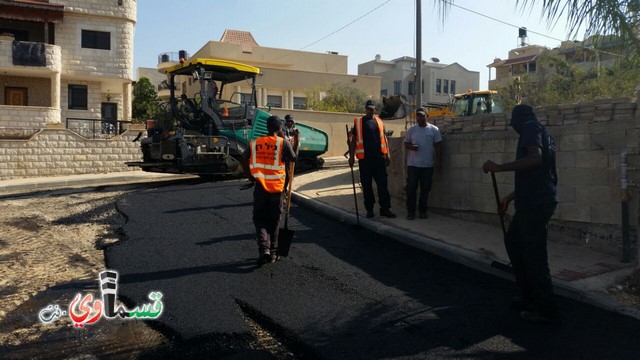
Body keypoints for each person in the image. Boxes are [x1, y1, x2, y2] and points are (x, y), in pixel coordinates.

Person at [482, 104, 559, 324]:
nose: (511, 126)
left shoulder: (530, 127)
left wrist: (498, 167)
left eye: (512, 122)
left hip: (536, 204)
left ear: (518, 119)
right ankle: (529, 296)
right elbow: (536, 175)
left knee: (535, 258)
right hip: (533, 200)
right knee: (514, 242)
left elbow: (534, 159)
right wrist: (508, 198)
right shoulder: (542, 132)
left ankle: (548, 312)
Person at [243, 115, 297, 266]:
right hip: (277, 189)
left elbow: (243, 157)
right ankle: (273, 252)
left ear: (266, 128)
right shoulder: (282, 143)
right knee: (274, 220)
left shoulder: (255, 143)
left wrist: (250, 177)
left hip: (260, 187)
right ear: (280, 128)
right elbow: (293, 158)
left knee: (259, 218)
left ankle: (264, 249)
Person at [348, 100, 396, 218]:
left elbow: (384, 138)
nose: (370, 111)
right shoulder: (359, 122)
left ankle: (385, 209)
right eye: (368, 109)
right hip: (365, 160)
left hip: (379, 159)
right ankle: (369, 209)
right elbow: (353, 140)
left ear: (375, 109)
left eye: (372, 109)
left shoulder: (379, 121)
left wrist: (387, 154)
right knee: (367, 185)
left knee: (382, 185)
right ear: (365, 109)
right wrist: (351, 156)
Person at [404, 108, 442, 220]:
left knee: (425, 190)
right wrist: (411, 147)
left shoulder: (434, 130)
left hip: (427, 166)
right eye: (418, 116)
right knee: (411, 189)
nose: (420, 118)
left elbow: (439, 146)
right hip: (413, 165)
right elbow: (406, 143)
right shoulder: (412, 130)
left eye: (422, 116)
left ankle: (422, 211)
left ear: (427, 116)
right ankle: (411, 212)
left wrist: (439, 162)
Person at [282, 114, 300, 193]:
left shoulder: (295, 130)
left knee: (289, 175)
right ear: (285, 121)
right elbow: (284, 141)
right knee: (285, 175)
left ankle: (284, 190)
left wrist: (295, 154)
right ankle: (283, 190)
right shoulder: (282, 129)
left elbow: (297, 142)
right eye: (288, 121)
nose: (290, 123)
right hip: (283, 155)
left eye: (291, 121)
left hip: (291, 154)